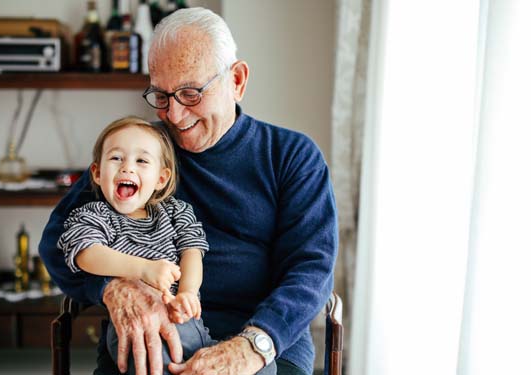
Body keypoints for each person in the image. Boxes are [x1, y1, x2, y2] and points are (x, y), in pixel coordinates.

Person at [39, 7, 338, 375]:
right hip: (151, 336)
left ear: (237, 80)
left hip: (262, 343)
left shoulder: (291, 156)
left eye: (191, 93)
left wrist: (254, 345)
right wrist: (111, 286)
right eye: (161, 96)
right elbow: (59, 239)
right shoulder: (141, 152)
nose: (175, 116)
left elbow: (312, 269)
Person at [56, 116, 274, 375]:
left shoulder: (175, 212)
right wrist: (143, 269)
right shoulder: (95, 215)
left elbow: (192, 252)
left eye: (141, 161)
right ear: (97, 172)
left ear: (161, 178)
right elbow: (86, 253)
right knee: (154, 359)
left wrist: (189, 292)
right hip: (135, 328)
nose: (127, 168)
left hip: (187, 324)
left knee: (263, 368)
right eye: (116, 158)